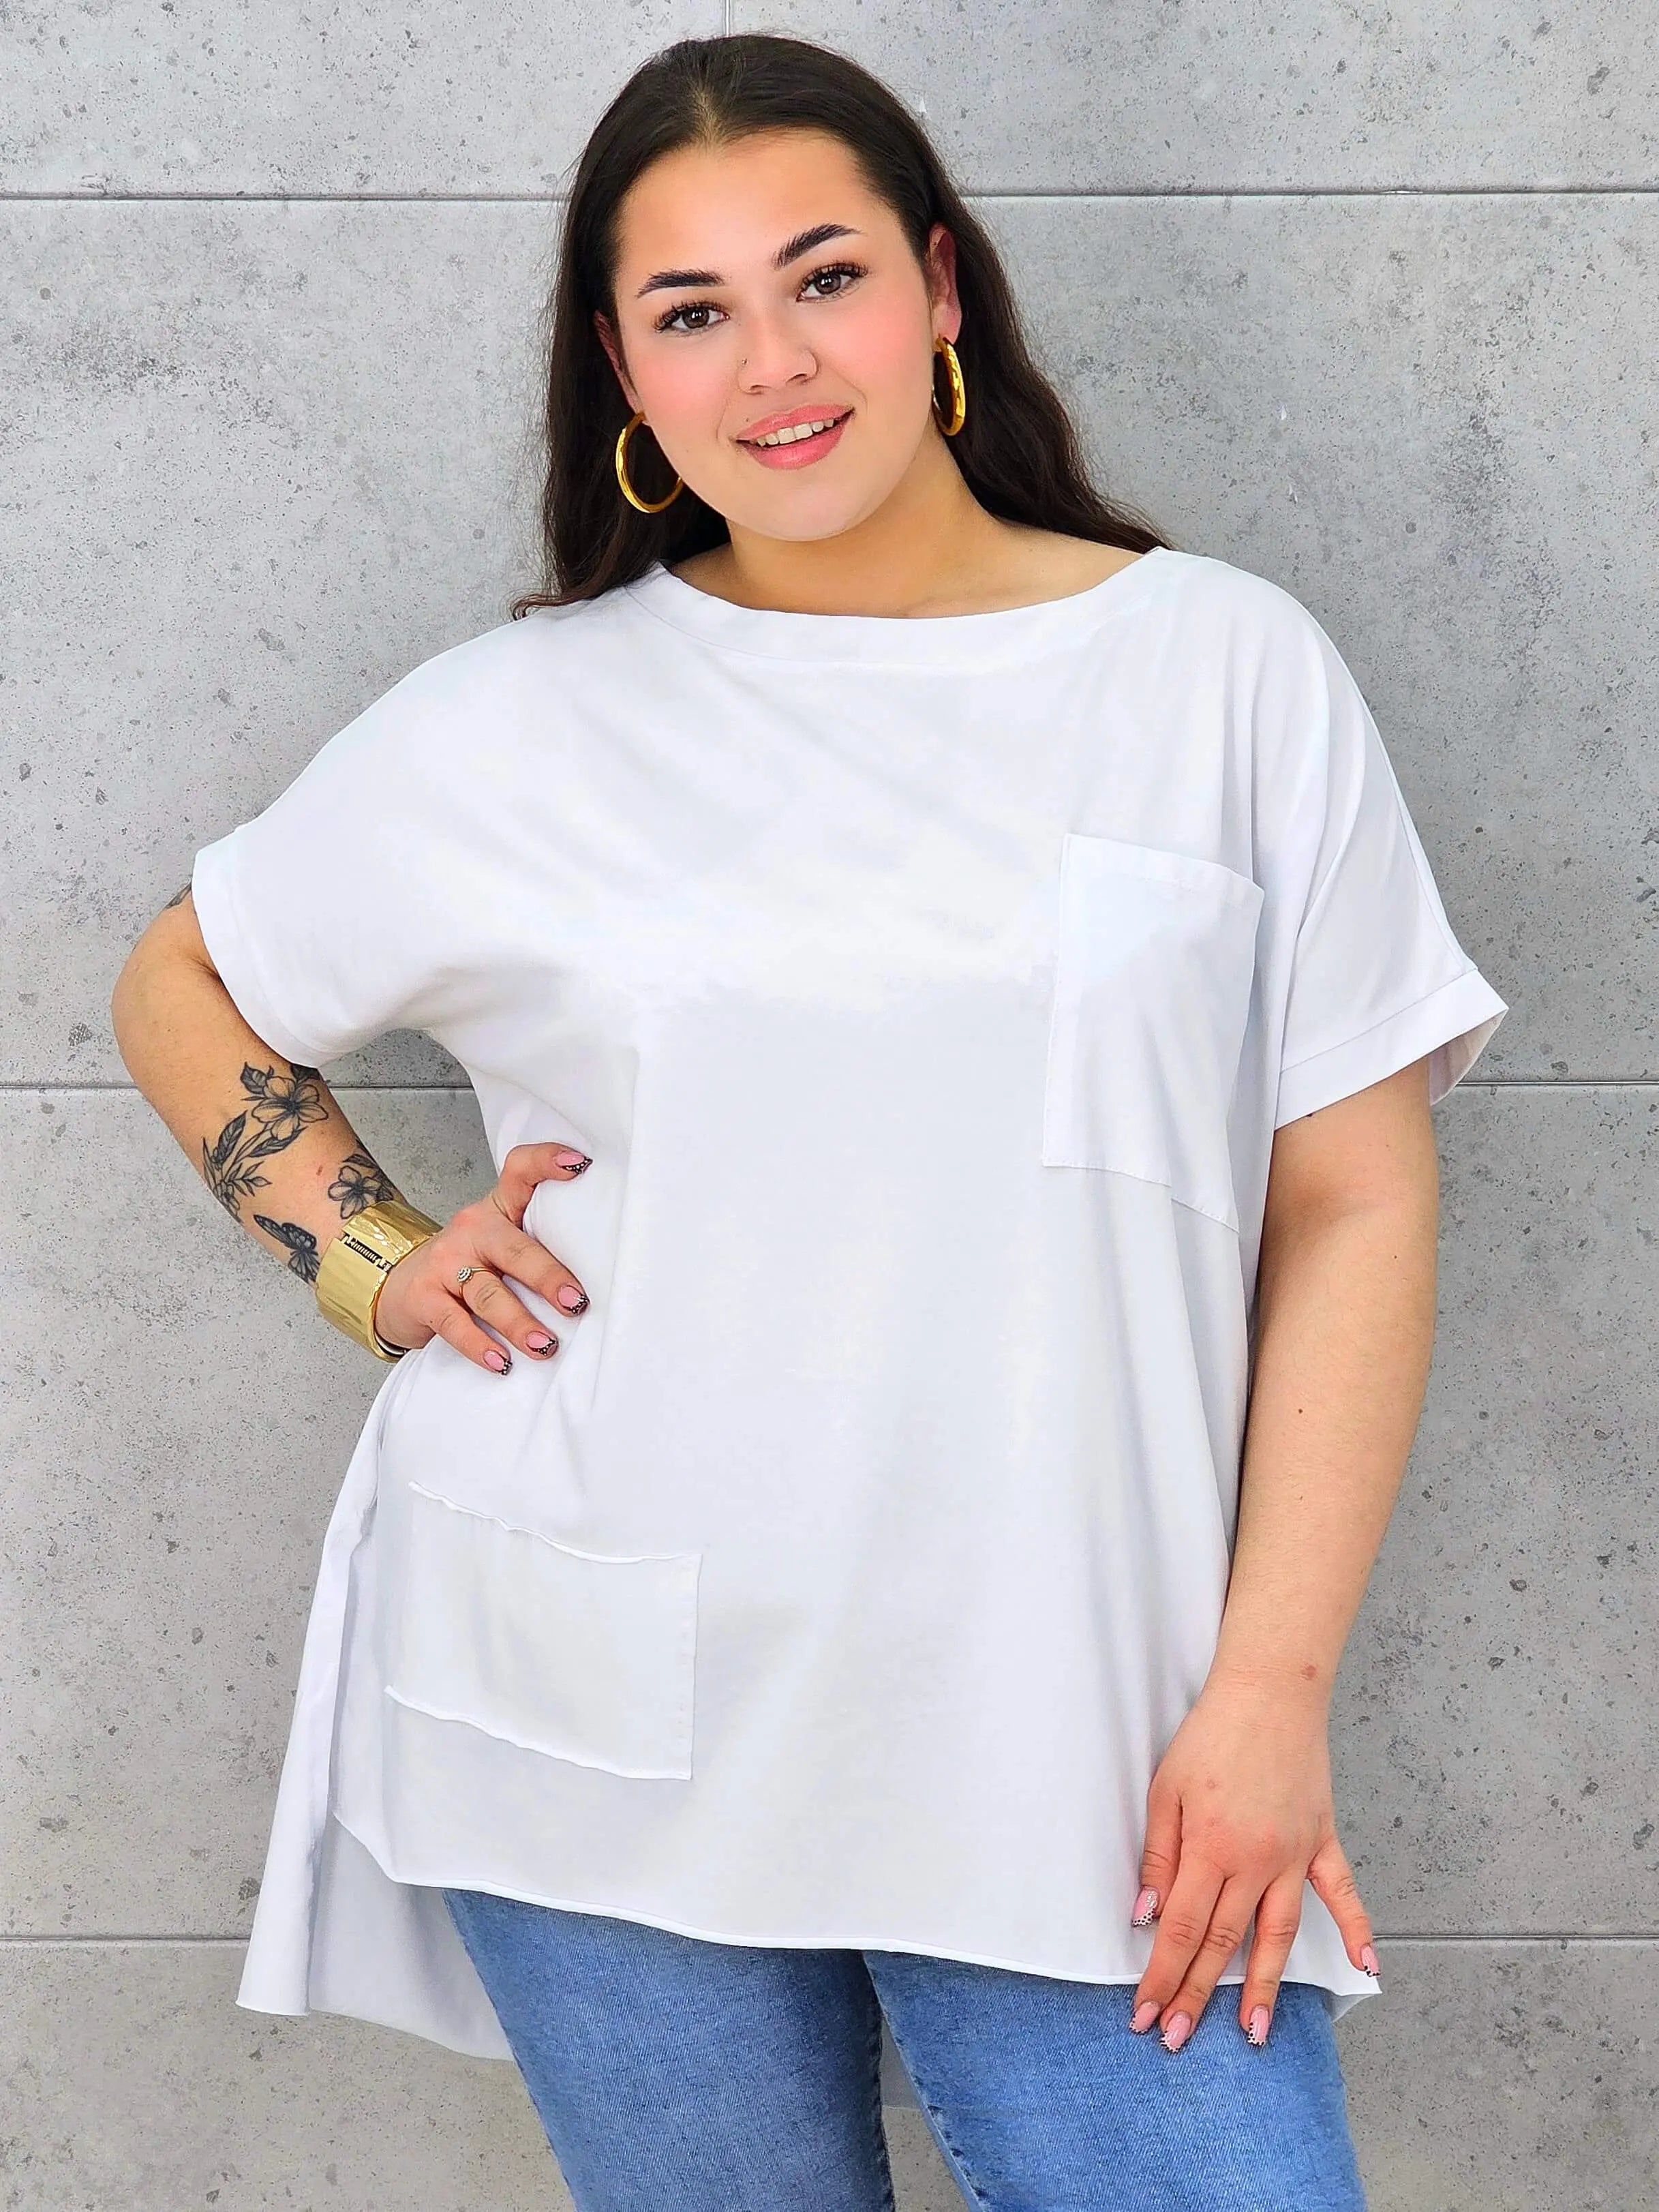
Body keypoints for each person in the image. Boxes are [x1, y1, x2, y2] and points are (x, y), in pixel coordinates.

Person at [111, 31, 1508, 2212]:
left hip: (1080, 1716)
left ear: (938, 288)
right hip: (599, 1709)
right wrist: (371, 1259)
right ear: (624, 371)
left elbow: (1348, 1202)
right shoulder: (530, 718)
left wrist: (1267, 1692)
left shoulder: (1220, 674)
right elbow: (182, 978)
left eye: (824, 277)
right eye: (692, 312)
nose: (772, 363)